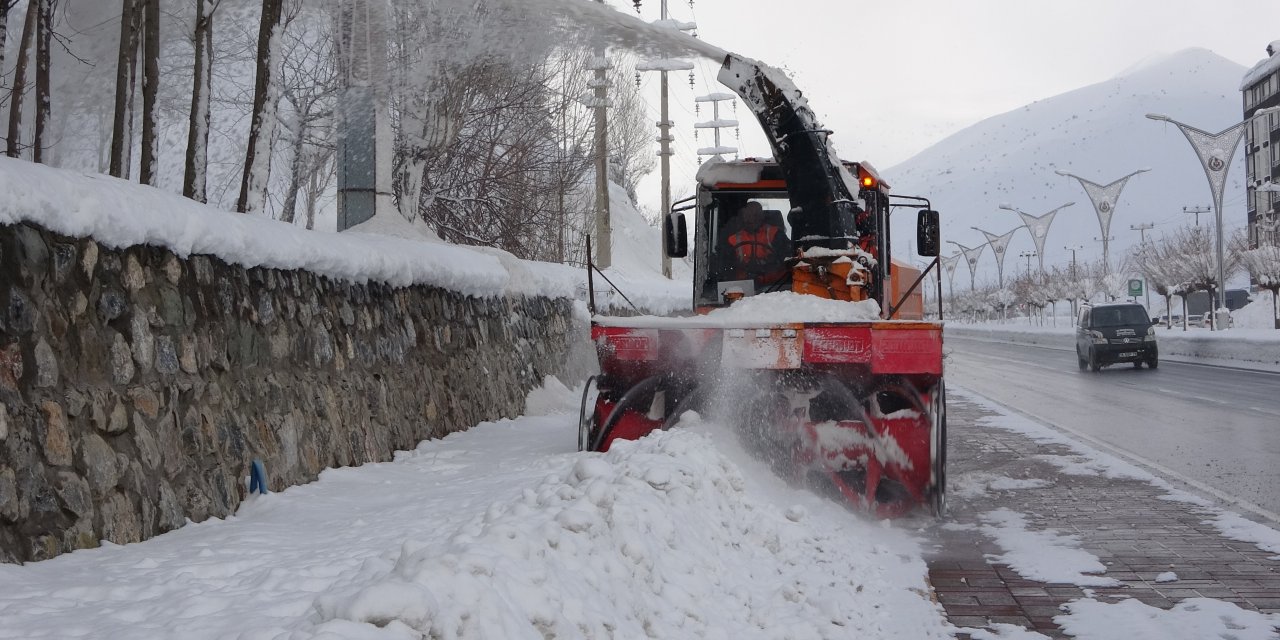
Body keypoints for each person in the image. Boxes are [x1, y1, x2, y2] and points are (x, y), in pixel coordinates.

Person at [718, 201, 791, 284]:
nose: (751, 218)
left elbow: (787, 260)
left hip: (776, 288)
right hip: (741, 288)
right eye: (748, 215)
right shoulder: (732, 239)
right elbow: (725, 267)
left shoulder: (776, 234)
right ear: (743, 217)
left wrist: (772, 264)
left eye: (755, 215)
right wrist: (738, 266)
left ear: (762, 216)